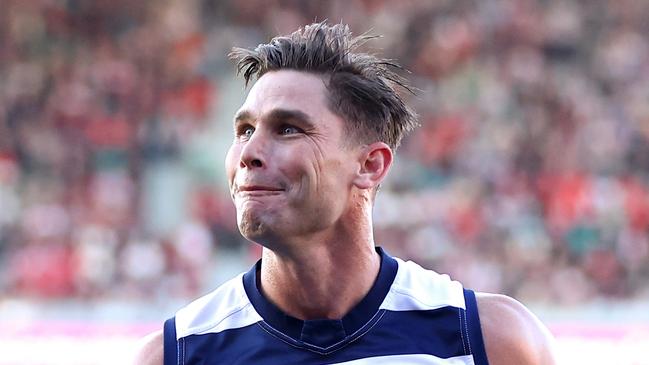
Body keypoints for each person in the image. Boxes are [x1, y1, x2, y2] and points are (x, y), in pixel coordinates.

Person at [133, 22, 557, 365]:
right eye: (244, 130)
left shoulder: (489, 341)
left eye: (288, 129)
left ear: (370, 165)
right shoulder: (175, 355)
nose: (249, 153)